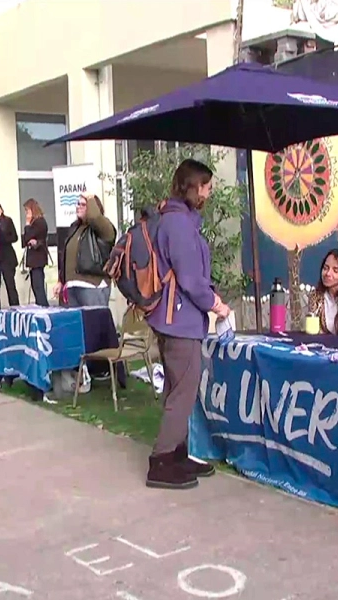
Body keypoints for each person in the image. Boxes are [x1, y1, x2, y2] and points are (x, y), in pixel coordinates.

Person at [146, 159, 230, 490]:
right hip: (180, 320)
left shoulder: (176, 219)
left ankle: (178, 453)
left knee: (176, 389)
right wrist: (216, 304)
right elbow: (191, 278)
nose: (209, 192)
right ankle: (162, 461)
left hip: (174, 317)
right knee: (183, 392)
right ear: (193, 187)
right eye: (206, 186)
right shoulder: (178, 224)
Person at [53, 193, 117, 308]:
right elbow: (66, 256)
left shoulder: (104, 228)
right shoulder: (75, 227)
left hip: (93, 286)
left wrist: (90, 198)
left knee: (93, 325)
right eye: (78, 204)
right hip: (72, 287)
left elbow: (94, 217)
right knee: (75, 325)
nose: (78, 206)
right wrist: (61, 281)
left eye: (83, 204)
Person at [0, 201, 20, 316]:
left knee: (10, 286)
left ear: (1, 209)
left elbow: (14, 237)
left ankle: (16, 310)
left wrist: (3, 237)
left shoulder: (8, 221)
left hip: (7, 258)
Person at [22, 198, 50, 306]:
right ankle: (40, 305)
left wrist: (27, 224)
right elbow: (25, 240)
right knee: (35, 285)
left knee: (38, 286)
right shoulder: (37, 222)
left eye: (27, 211)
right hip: (34, 260)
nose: (26, 214)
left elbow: (28, 236)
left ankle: (43, 306)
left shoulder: (39, 222)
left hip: (38, 258)